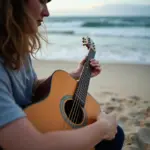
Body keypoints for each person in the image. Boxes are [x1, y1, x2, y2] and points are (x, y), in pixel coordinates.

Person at [0, 0, 125, 150]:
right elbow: (30, 145)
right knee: (112, 137)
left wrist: (75, 74)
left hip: (31, 122)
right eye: (41, 1)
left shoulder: (14, 49)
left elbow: (30, 88)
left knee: (116, 135)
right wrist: (103, 127)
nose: (47, 12)